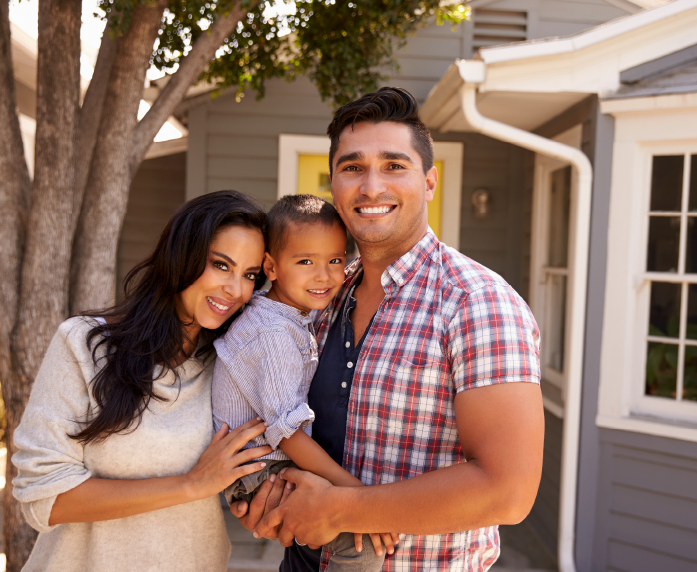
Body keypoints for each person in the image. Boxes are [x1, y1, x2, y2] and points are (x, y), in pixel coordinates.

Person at [233, 87, 545, 572]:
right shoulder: (321, 296)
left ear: (429, 182)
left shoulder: (476, 303)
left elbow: (508, 490)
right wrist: (271, 498)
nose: (371, 186)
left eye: (394, 166)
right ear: (332, 183)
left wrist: (339, 509)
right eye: (352, 167)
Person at [12, 190, 273, 572]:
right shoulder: (86, 345)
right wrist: (191, 484)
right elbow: (43, 499)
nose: (236, 290)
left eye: (250, 275)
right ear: (182, 255)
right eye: (221, 265)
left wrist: (259, 502)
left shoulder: (231, 366)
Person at [211, 194, 387, 572]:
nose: (324, 275)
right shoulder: (272, 333)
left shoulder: (293, 315)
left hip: (271, 461)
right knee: (362, 541)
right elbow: (287, 433)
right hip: (258, 471)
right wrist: (359, 497)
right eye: (305, 261)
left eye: (335, 260)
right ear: (271, 267)